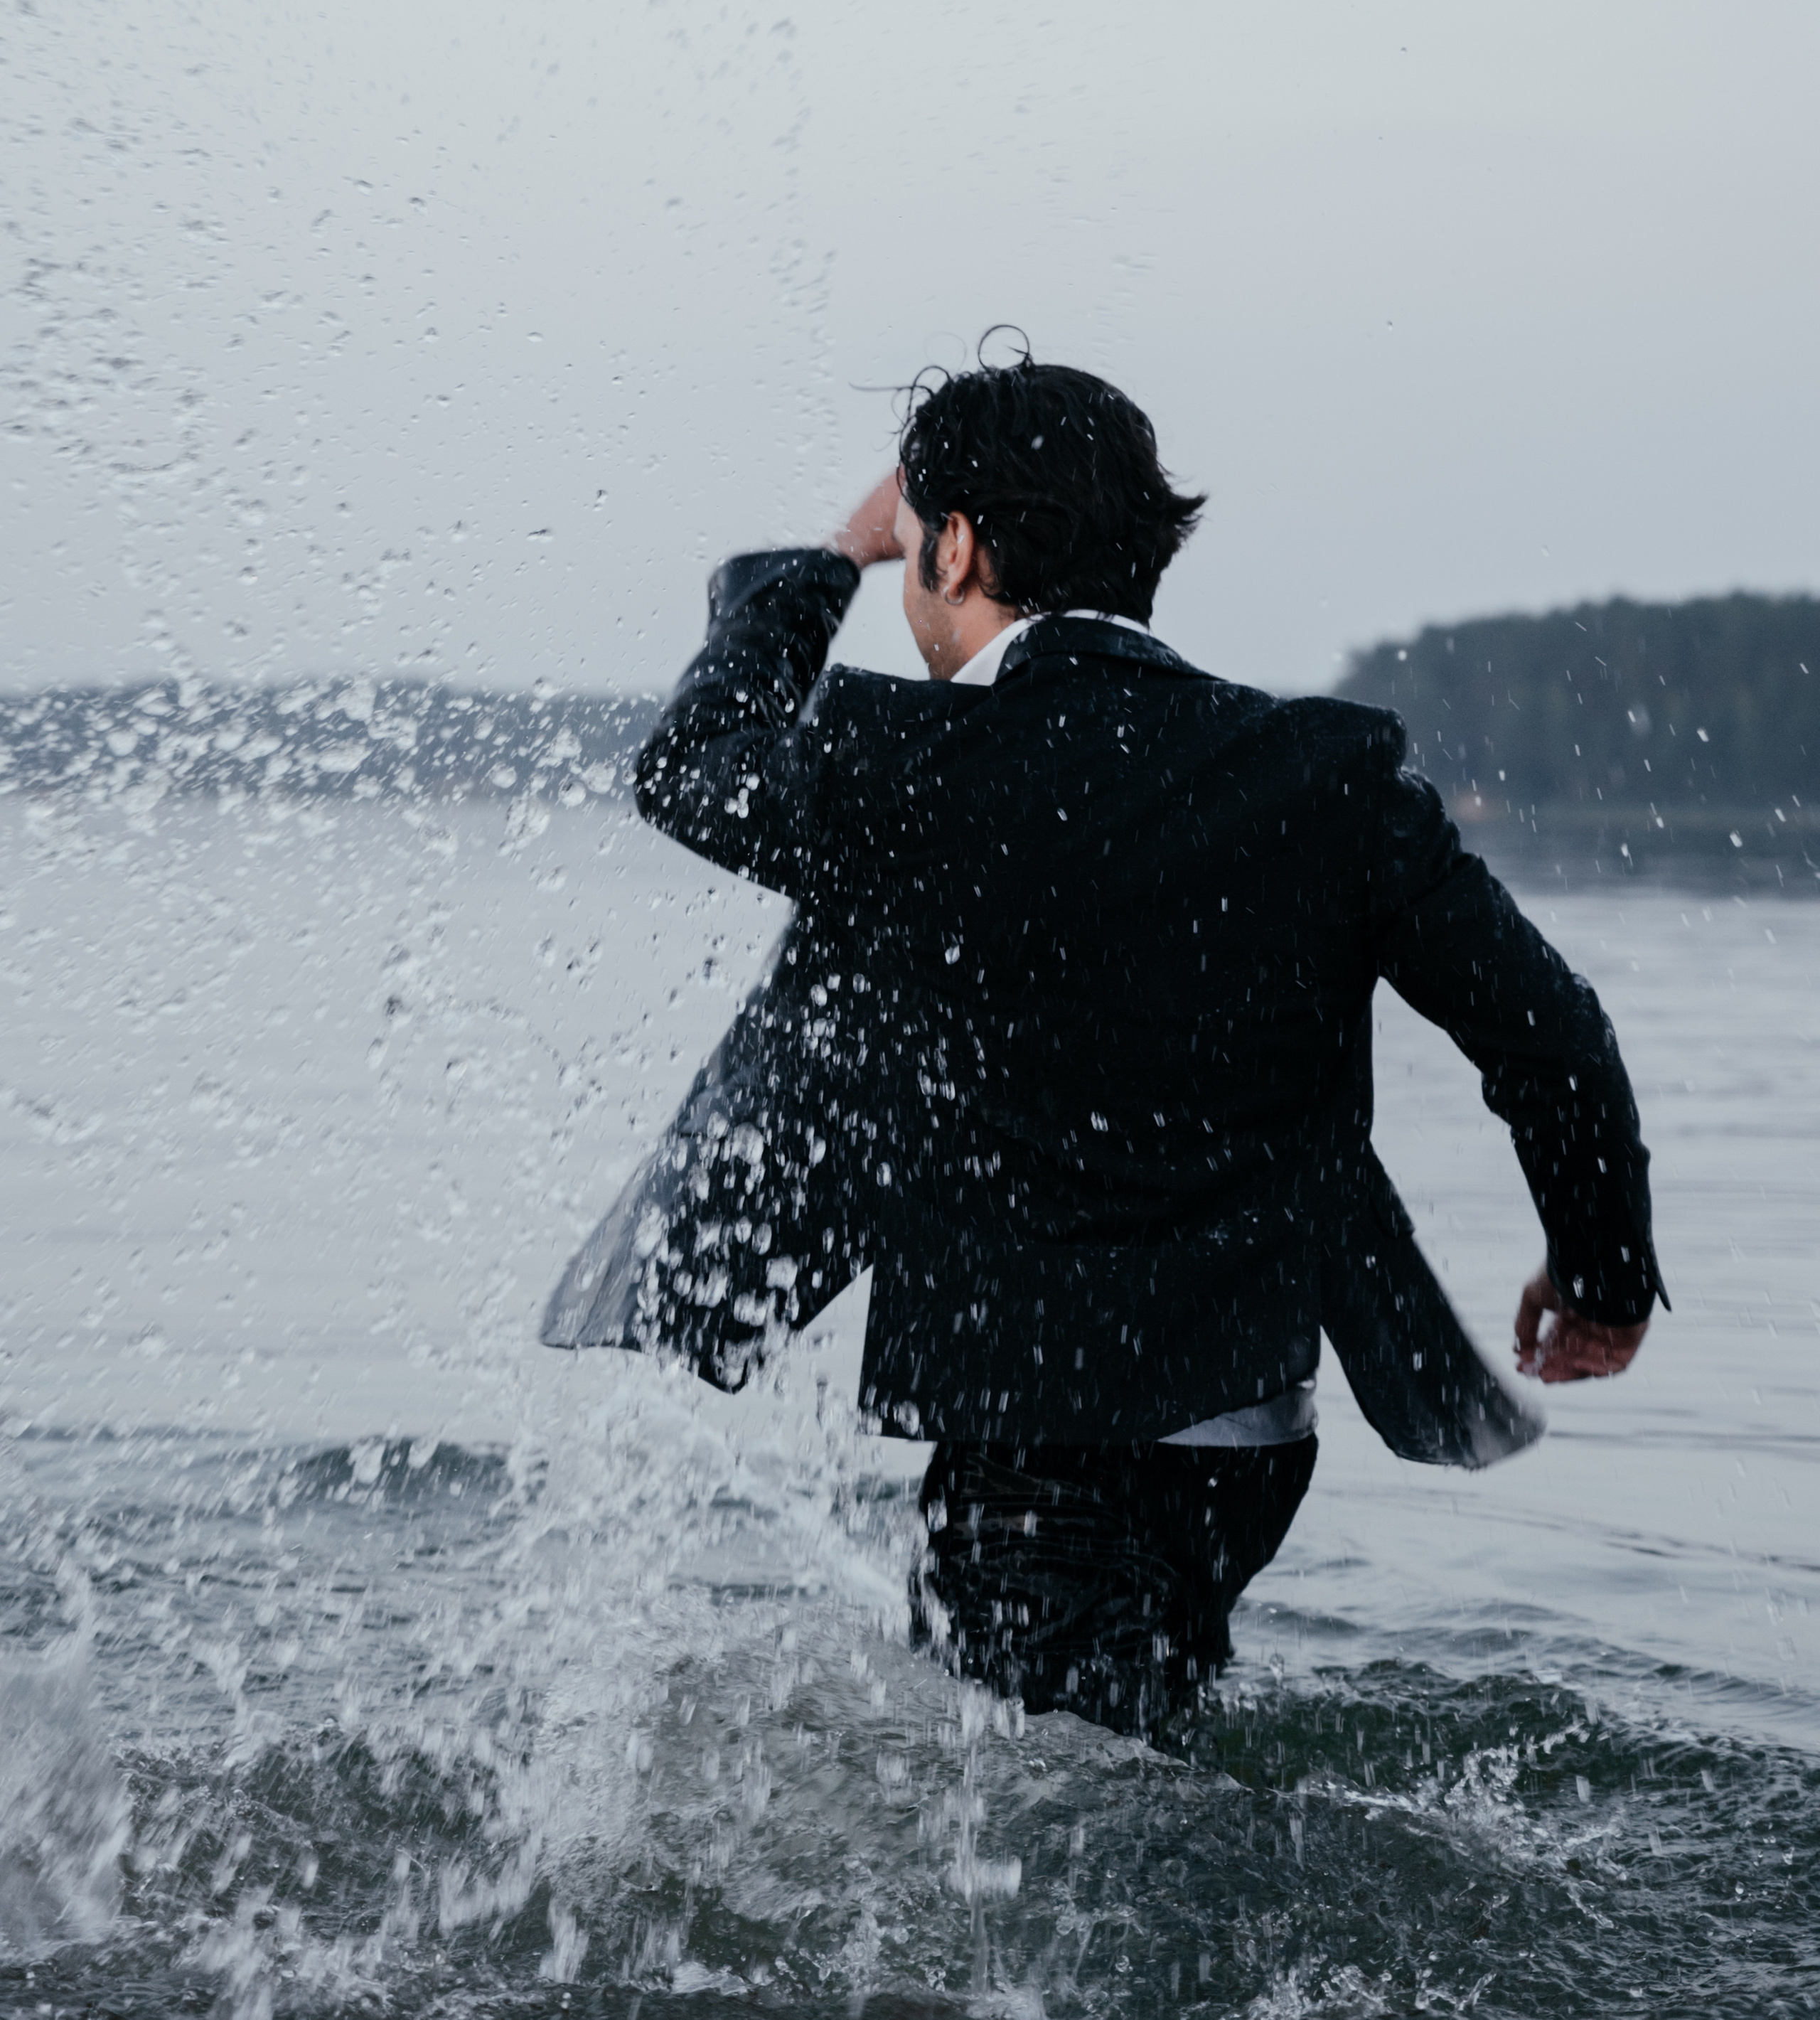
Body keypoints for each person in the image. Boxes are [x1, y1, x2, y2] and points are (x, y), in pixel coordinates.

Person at [544, 343, 1663, 1738]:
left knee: (1030, 1863)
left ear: (950, 546)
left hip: (1032, 1438)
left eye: (912, 557)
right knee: (1146, 1752)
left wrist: (831, 554)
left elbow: (692, 759)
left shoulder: (906, 763)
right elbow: (1548, 1033)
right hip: (1250, 1436)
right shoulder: (1318, 776)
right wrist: (1603, 1274)